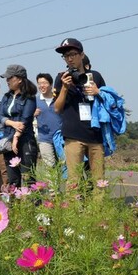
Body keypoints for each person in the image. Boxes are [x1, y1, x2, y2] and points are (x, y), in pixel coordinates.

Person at [53, 38, 107, 187]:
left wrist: (98, 92)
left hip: (95, 135)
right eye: (65, 56)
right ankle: (75, 210)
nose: (69, 58)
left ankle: (97, 210)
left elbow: (108, 102)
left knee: (99, 181)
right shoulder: (61, 78)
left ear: (82, 55)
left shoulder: (95, 76)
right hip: (73, 136)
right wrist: (64, 87)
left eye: (72, 54)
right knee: (74, 181)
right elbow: (57, 108)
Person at [0, 65, 38, 189]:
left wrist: (16, 137)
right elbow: (0, 116)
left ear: (19, 79)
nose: (7, 81)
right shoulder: (6, 97)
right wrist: (12, 123)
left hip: (25, 140)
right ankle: (15, 207)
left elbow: (25, 120)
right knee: (13, 179)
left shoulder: (29, 97)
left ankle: (33, 206)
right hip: (8, 139)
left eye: (10, 78)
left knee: (28, 177)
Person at [34, 73, 62, 169]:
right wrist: (33, 114)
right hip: (44, 138)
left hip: (61, 137)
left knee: (63, 165)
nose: (42, 85)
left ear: (51, 84)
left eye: (44, 83)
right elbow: (26, 118)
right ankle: (52, 185)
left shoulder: (59, 99)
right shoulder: (35, 101)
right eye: (39, 83)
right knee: (49, 166)